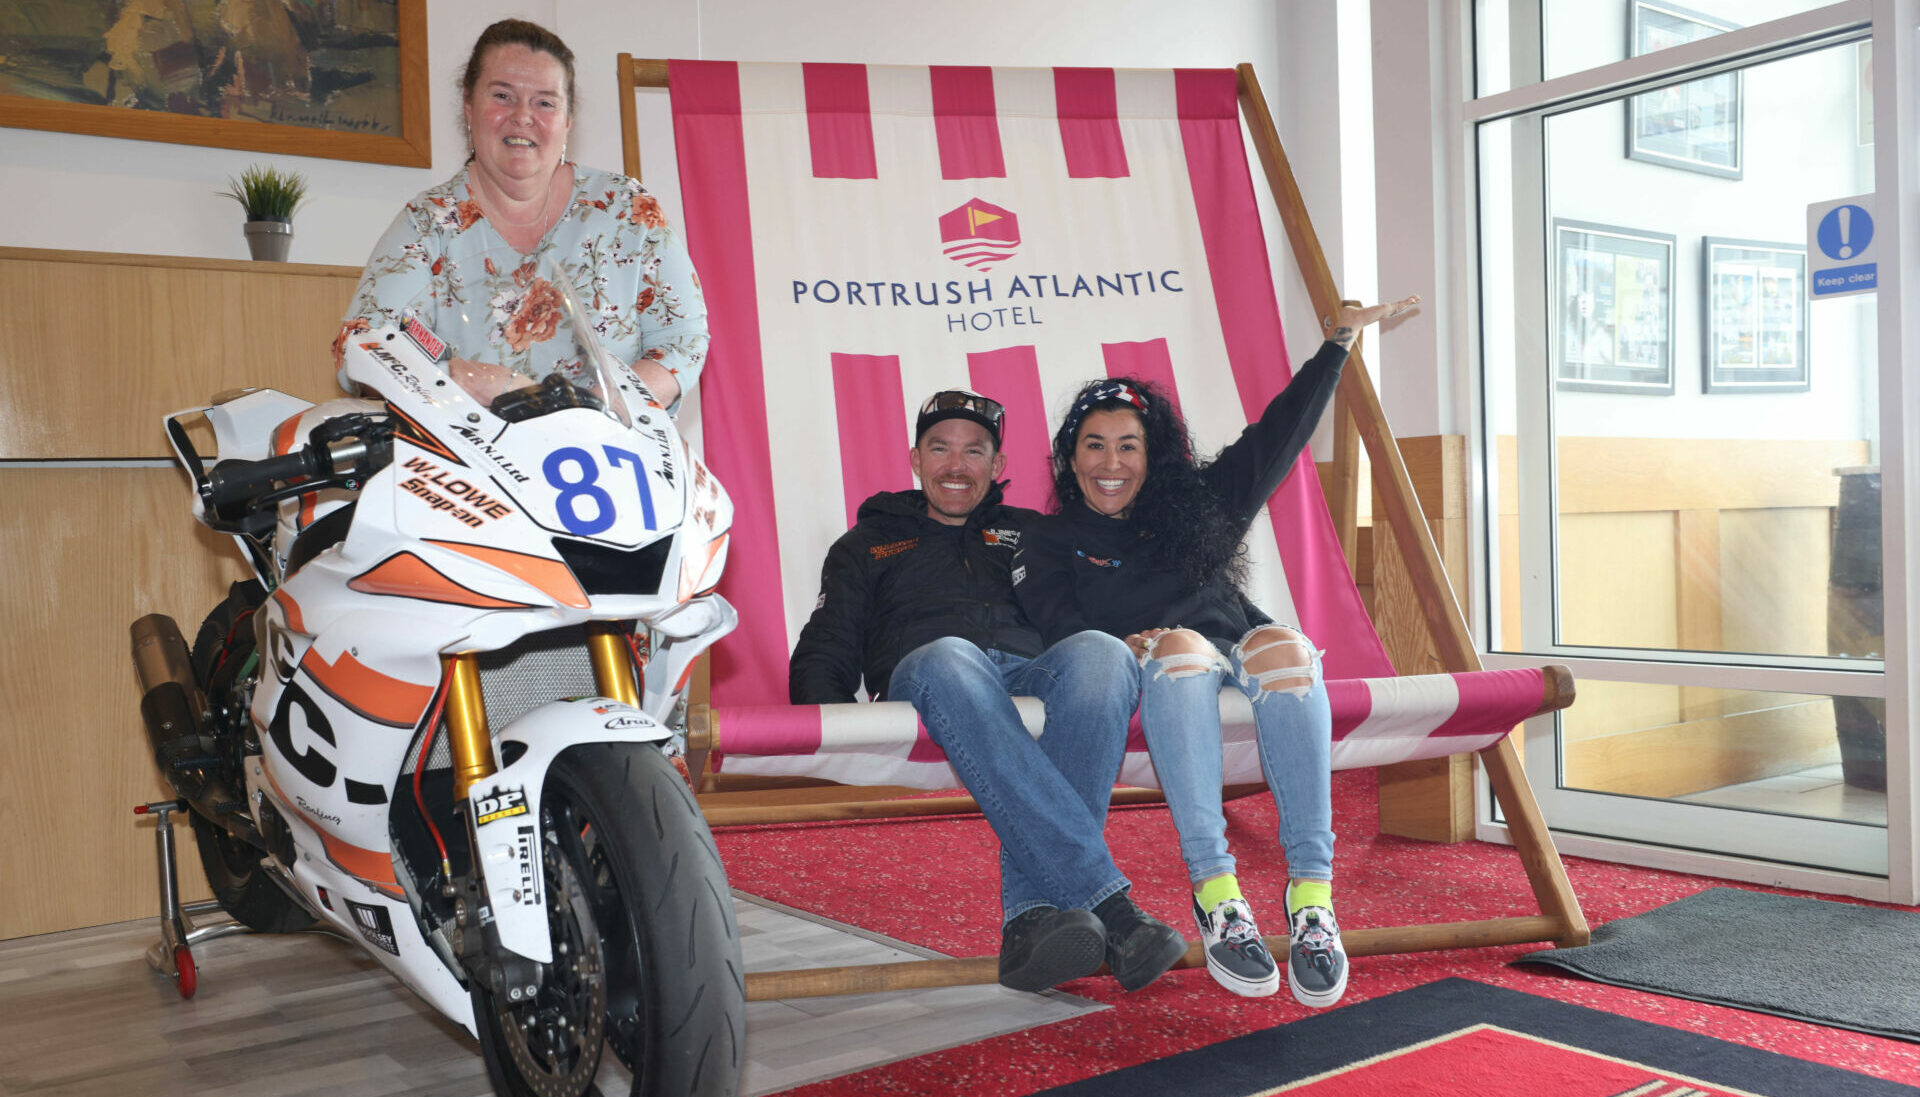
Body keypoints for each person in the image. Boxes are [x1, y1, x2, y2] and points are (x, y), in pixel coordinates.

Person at [1014, 297, 1419, 1007]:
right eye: (1094, 445)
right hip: (1168, 675)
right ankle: (1217, 893)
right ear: (1069, 455)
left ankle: (1313, 902)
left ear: (1154, 453)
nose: (1110, 463)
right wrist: (1119, 644)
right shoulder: (1049, 540)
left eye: (1128, 445)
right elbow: (1060, 635)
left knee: (1288, 649)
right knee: (1182, 649)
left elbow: (1278, 435)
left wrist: (1339, 344)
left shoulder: (1200, 504)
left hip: (1241, 664)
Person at [790, 390, 1188, 994]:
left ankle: (1031, 922)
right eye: (940, 449)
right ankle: (1113, 909)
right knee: (953, 654)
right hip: (930, 677)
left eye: (974, 451)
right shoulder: (865, 545)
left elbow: (1108, 596)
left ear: (997, 466)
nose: (956, 465)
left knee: (1102, 652)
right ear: (915, 459)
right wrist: (828, 735)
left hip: (1028, 677)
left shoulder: (1033, 533)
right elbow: (828, 641)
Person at [335, 19, 706, 409]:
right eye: (502, 96)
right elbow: (362, 347)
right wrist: (459, 378)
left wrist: (592, 411)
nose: (523, 116)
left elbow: (685, 340)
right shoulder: (428, 224)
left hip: (612, 453)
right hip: (468, 460)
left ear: (567, 120)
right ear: (468, 105)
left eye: (545, 102)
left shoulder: (625, 209)